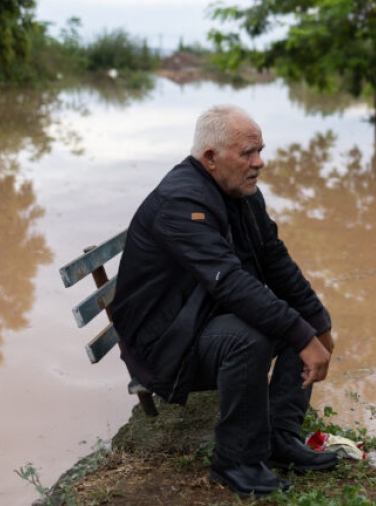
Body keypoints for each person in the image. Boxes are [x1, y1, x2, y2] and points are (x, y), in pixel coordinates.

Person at [111, 104, 338, 497]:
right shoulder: (181, 204)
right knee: (249, 336)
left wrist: (317, 323)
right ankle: (236, 462)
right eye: (248, 152)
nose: (259, 162)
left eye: (261, 150)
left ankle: (280, 439)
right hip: (163, 343)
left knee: (292, 319)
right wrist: (302, 337)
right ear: (211, 158)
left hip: (198, 314)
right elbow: (230, 282)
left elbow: (273, 258)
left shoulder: (241, 192)